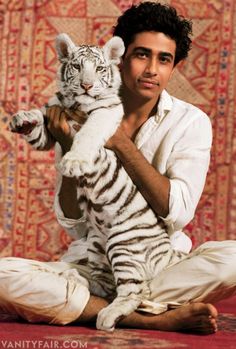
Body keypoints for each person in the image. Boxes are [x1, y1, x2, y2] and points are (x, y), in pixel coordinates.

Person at [0, 1, 236, 334]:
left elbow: (178, 213)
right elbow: (74, 225)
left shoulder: (191, 122)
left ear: (175, 66)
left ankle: (95, 304)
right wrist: (68, 144)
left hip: (159, 263)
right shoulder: (80, 111)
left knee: (233, 260)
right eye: (142, 55)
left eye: (163, 59)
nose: (152, 69)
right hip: (92, 265)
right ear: (120, 59)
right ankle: (145, 315)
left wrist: (121, 142)